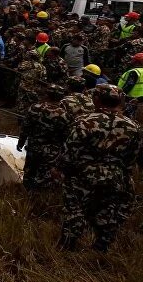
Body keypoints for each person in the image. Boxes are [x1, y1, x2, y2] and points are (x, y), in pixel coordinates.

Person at [58, 85, 142, 252]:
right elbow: (133, 157)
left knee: (75, 210)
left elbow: (69, 151)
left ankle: (68, 247)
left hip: (82, 175)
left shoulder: (84, 121)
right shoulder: (133, 127)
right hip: (115, 176)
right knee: (108, 213)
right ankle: (101, 248)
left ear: (96, 100)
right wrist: (122, 173)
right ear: (120, 101)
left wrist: (63, 170)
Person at [16, 84, 68, 191]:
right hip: (52, 151)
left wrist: (20, 143)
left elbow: (25, 128)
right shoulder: (64, 114)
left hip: (34, 148)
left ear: (47, 94)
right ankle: (40, 196)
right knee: (45, 175)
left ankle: (27, 193)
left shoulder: (35, 108)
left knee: (30, 172)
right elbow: (65, 136)